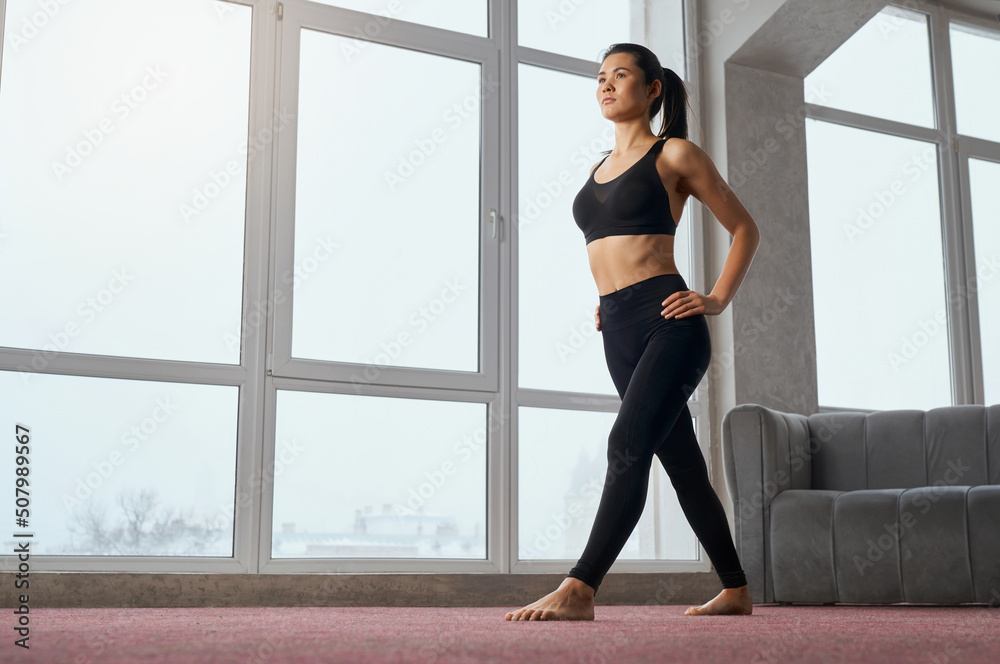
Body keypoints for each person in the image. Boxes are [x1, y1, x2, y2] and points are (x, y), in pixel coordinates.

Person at [505, 43, 760, 621]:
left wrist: (716, 298)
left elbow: (745, 228)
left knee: (626, 446)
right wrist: (609, 302)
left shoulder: (674, 154)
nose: (606, 84)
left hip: (669, 322)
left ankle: (581, 587)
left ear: (652, 90)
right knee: (682, 462)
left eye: (620, 75)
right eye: (600, 77)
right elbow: (610, 249)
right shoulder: (596, 169)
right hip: (616, 327)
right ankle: (737, 589)